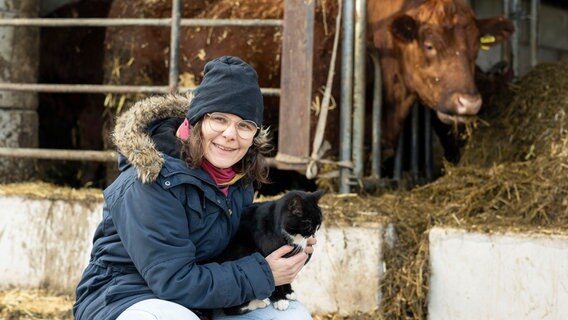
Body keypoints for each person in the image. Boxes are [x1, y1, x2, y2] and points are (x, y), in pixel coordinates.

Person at [73, 56, 316, 320]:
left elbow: (237, 250)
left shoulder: (237, 180)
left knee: (292, 316)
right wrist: (264, 273)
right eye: (219, 119)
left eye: (244, 126)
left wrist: (289, 246)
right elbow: (174, 282)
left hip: (202, 302)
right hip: (126, 299)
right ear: (196, 121)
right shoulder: (149, 182)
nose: (230, 134)